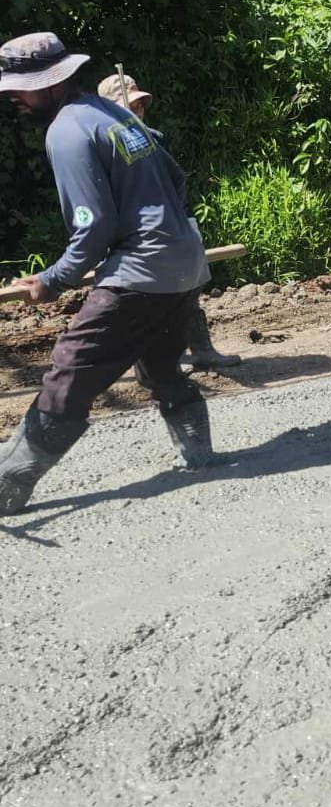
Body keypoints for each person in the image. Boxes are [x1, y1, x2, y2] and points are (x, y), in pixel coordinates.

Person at [0, 32, 215, 514]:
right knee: (161, 362)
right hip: (185, 262)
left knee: (69, 369)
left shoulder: (66, 131)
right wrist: (170, 235)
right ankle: (201, 458)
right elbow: (176, 178)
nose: (12, 95)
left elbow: (94, 224)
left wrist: (51, 280)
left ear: (53, 83)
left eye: (22, 86)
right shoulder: (116, 115)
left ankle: (8, 484)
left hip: (142, 270)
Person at [97, 70, 241, 373]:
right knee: (141, 300)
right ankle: (150, 367)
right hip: (133, 236)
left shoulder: (154, 140)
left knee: (187, 289)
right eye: (129, 106)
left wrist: (183, 222)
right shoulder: (102, 147)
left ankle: (201, 350)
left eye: (139, 105)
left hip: (172, 225)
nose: (137, 111)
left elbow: (177, 183)